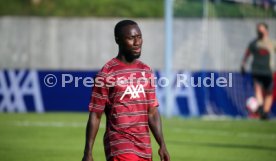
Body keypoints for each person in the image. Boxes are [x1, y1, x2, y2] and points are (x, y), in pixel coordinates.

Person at [82, 20, 170, 161]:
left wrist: (162, 144)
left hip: (144, 148)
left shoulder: (146, 71)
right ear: (118, 40)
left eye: (139, 37)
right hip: (119, 145)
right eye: (131, 38)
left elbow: (152, 112)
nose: (137, 42)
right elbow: (96, 115)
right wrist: (88, 152)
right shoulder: (106, 74)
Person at [241, 22, 276, 120]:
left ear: (266, 30)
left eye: (261, 29)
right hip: (257, 70)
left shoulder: (272, 43)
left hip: (268, 70)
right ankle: (260, 108)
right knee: (258, 88)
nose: (259, 31)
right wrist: (243, 64)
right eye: (258, 29)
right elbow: (247, 53)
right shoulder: (254, 43)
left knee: (269, 92)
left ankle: (264, 112)